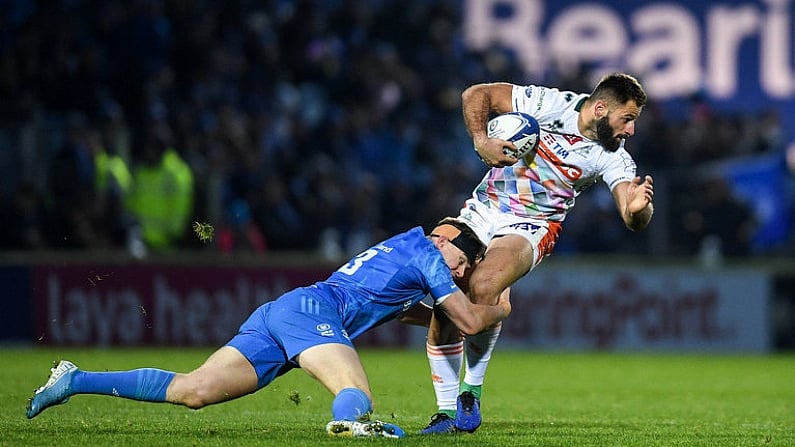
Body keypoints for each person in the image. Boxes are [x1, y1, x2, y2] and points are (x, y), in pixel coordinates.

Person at [25, 219, 511, 439]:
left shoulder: (405, 249)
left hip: (286, 312)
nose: (463, 273)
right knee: (354, 391)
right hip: (312, 312)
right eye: (464, 261)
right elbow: (468, 321)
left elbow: (412, 312)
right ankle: (352, 424)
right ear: (445, 239)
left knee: (194, 390)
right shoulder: (429, 255)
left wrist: (437, 316)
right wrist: (500, 311)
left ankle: (74, 378)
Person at [420, 73, 655, 434]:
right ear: (600, 108)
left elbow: (631, 213)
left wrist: (638, 209)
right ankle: (445, 412)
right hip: (482, 210)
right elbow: (476, 94)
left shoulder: (614, 159)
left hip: (531, 226)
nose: (630, 131)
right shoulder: (548, 104)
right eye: (628, 119)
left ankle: (470, 392)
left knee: (483, 285)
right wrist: (481, 140)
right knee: (439, 297)